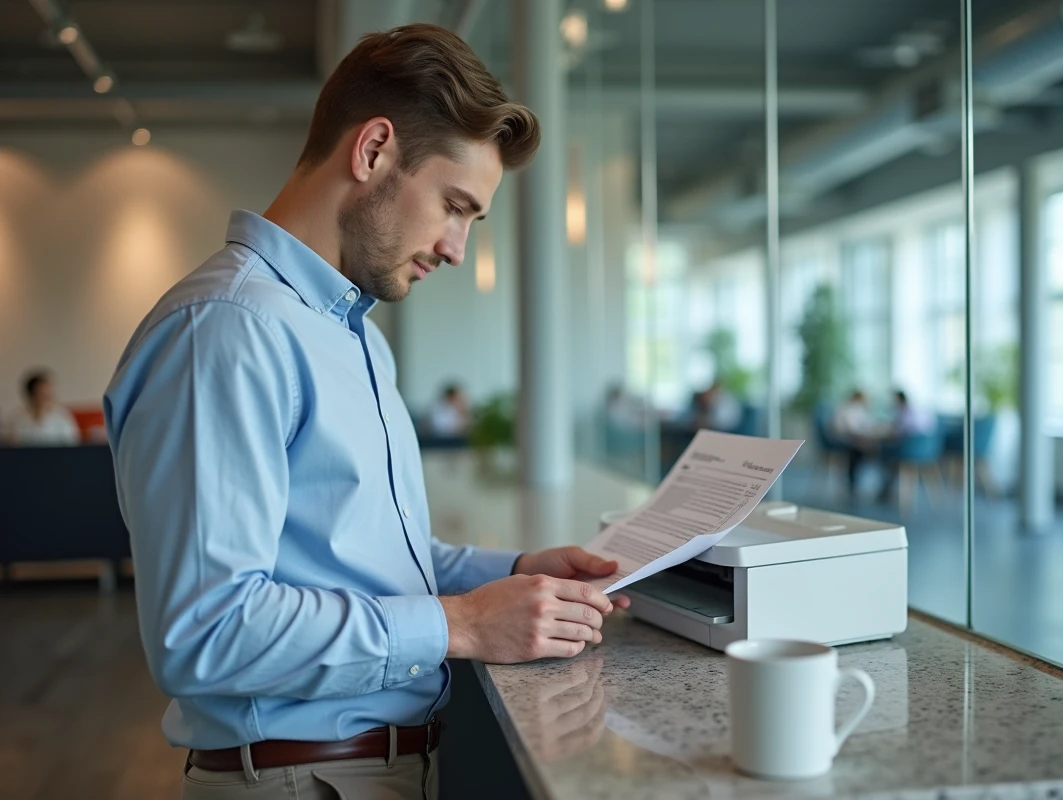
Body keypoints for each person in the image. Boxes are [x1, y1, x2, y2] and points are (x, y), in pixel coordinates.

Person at [104, 25, 627, 800]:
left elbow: (376, 562)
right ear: (374, 150)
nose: (456, 248)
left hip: (366, 771)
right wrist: (462, 625)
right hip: (298, 779)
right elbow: (204, 632)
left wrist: (511, 575)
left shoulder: (354, 339)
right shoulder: (225, 330)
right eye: (455, 207)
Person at [5, 369, 80, 446]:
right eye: (42, 392)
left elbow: (72, 443)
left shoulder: (62, 415)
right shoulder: (15, 417)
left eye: (49, 391)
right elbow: (8, 445)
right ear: (31, 394)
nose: (47, 396)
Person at [832, 389, 878, 496]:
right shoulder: (847, 408)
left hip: (853, 438)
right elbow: (851, 429)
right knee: (857, 450)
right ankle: (852, 482)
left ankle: (856, 481)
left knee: (872, 448)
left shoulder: (859, 410)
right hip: (841, 440)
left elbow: (864, 425)